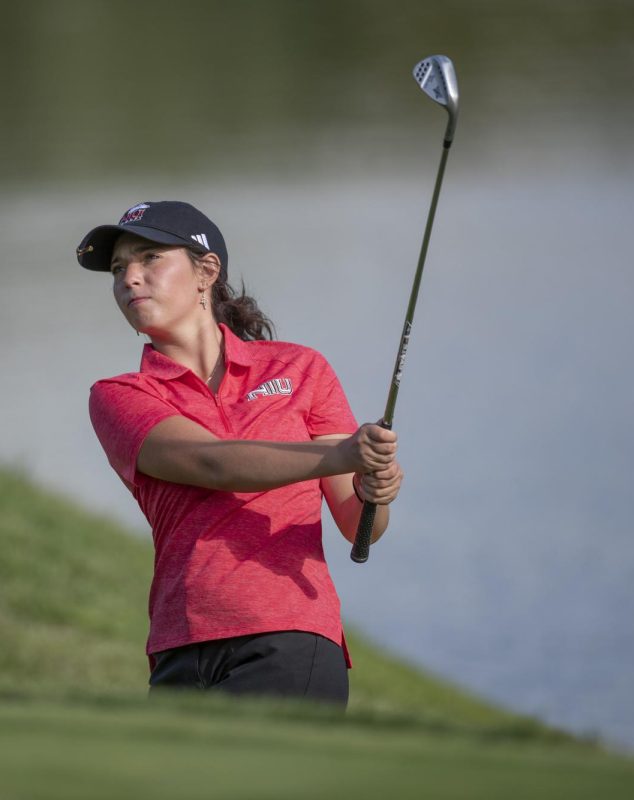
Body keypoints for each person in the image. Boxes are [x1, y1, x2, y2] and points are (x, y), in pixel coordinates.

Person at [77, 201, 402, 708]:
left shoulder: (301, 368)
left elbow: (360, 523)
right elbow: (210, 464)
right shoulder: (118, 395)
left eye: (149, 259)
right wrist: (343, 455)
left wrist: (373, 487)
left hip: (289, 635)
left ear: (206, 272)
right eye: (119, 269)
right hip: (178, 648)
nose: (129, 279)